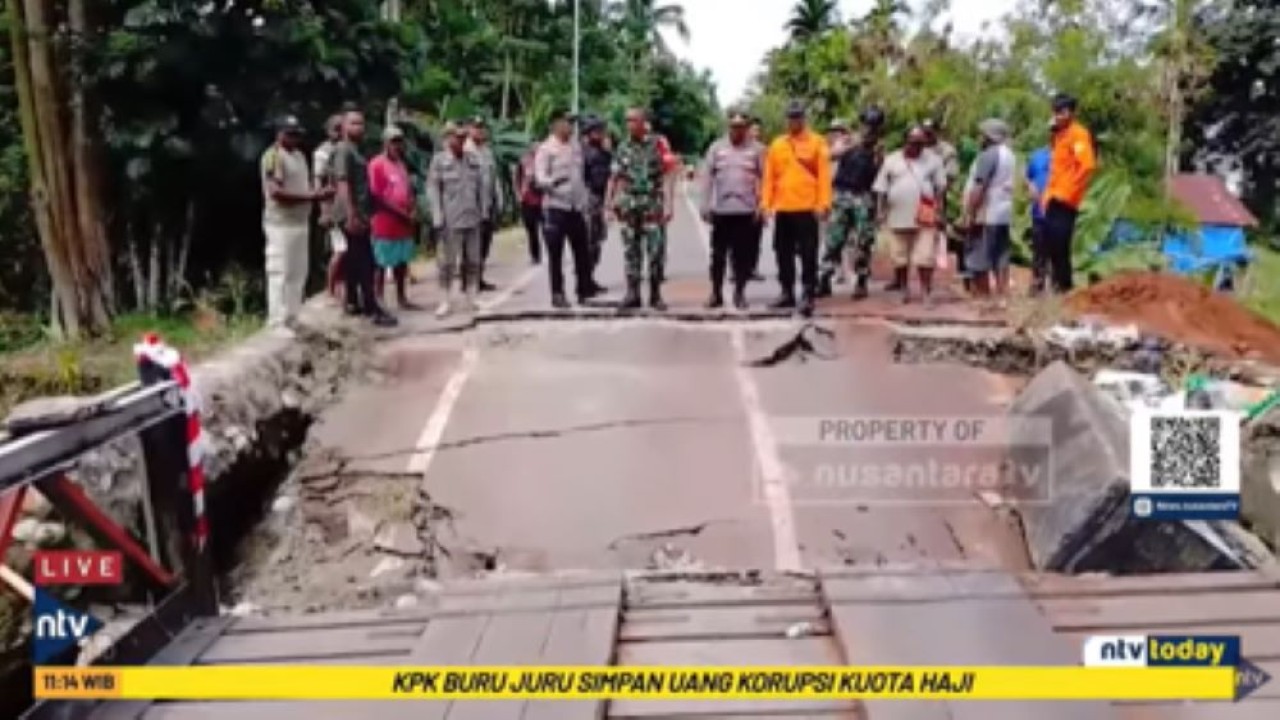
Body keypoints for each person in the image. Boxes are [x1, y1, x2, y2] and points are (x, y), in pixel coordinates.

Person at [761, 100, 831, 316]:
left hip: (807, 208)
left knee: (808, 254)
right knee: (783, 252)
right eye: (791, 117)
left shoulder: (817, 142)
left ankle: (808, 294)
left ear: (804, 118)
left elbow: (824, 177)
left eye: (798, 117)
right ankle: (787, 292)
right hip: (783, 208)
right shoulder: (777, 144)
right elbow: (769, 177)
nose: (794, 121)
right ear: (787, 119)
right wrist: (765, 204)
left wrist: (823, 204)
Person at [260, 116, 329, 330]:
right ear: (279, 134)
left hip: (299, 221)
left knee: (298, 271)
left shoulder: (299, 156)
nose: (294, 138)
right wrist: (311, 197)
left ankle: (292, 315)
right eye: (290, 134)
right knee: (281, 270)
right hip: (281, 222)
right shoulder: (273, 156)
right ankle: (277, 320)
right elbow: (276, 192)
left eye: (296, 134)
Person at [331, 110, 397, 327]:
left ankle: (353, 302)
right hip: (352, 215)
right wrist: (351, 215)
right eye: (353, 123)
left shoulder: (356, 151)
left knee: (354, 261)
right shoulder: (343, 150)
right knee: (366, 263)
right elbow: (343, 183)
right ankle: (371, 308)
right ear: (343, 127)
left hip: (361, 212)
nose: (358, 127)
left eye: (361, 123)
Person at [873, 125, 948, 305]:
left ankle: (925, 292)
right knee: (899, 256)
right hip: (897, 213)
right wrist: (880, 211)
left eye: (921, 143)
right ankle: (903, 289)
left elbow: (940, 188)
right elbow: (881, 188)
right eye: (913, 142)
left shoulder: (934, 160)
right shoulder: (892, 160)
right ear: (905, 141)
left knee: (925, 255)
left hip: (925, 211)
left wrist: (939, 211)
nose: (917, 147)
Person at [699, 110, 765, 310]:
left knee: (741, 256)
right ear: (728, 127)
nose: (737, 131)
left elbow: (764, 177)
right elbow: (707, 177)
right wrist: (705, 203)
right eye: (733, 127)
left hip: (746, 211)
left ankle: (740, 293)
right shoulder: (716, 148)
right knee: (718, 256)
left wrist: (762, 205)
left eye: (741, 127)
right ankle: (716, 293)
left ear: (746, 128)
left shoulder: (757, 150)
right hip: (721, 211)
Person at [608, 109, 671, 310]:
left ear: (644, 122)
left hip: (651, 205)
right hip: (629, 206)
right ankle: (632, 293)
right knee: (630, 252)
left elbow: (668, 175)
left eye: (633, 120)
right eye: (627, 121)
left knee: (654, 252)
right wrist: (612, 203)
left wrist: (669, 204)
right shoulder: (623, 146)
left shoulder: (658, 144)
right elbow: (616, 176)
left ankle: (655, 295)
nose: (629, 124)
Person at [818, 107, 885, 300]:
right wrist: (851, 144)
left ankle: (861, 281)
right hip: (842, 193)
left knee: (864, 241)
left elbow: (880, 176)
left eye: (873, 125)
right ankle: (825, 279)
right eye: (867, 124)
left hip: (864, 196)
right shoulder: (848, 140)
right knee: (834, 239)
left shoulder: (878, 147)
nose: (869, 129)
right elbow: (831, 156)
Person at [427, 121, 491, 318]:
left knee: (473, 260)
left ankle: (472, 297)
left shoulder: (472, 159)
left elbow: (482, 186)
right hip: (450, 219)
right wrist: (437, 217)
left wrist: (484, 211)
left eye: (464, 137)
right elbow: (433, 190)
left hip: (472, 216)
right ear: (448, 138)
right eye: (457, 137)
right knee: (447, 263)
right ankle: (445, 299)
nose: (461, 141)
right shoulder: (439, 161)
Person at [535, 109, 595, 308]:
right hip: (555, 208)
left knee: (582, 252)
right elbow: (539, 178)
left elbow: (582, 175)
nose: (571, 126)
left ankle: (584, 290)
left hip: (576, 208)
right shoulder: (546, 149)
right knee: (556, 255)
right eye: (567, 122)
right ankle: (557, 293)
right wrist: (553, 182)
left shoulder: (576, 146)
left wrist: (584, 200)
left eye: (572, 122)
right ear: (556, 124)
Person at [1043, 93, 1097, 293]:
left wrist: (1069, 192)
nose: (1058, 116)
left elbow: (1087, 166)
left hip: (1065, 199)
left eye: (1062, 112)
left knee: (1061, 246)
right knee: (1051, 247)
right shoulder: (1058, 135)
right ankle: (1057, 287)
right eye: (1055, 111)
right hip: (1052, 197)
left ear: (1071, 113)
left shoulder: (1078, 134)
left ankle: (1064, 289)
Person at [961, 118, 1016, 308]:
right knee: (1001, 255)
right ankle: (1003, 296)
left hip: (987, 212)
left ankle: (984, 299)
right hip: (1004, 213)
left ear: (989, 136)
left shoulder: (988, 155)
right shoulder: (1009, 154)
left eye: (982, 134)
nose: (980, 138)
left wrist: (969, 213)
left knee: (980, 255)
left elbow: (979, 187)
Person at [368, 125, 419, 310]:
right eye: (393, 142)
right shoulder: (376, 164)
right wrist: (401, 214)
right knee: (380, 264)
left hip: (403, 225)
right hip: (385, 222)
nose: (397, 146)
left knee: (401, 262)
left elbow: (407, 191)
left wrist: (412, 209)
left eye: (399, 142)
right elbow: (377, 196)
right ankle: (378, 300)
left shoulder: (400, 164)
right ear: (385, 143)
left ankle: (401, 298)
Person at [465, 118, 502, 292]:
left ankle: (478, 278)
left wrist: (498, 200)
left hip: (487, 205)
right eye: (476, 128)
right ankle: (469, 280)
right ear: (469, 130)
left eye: (482, 128)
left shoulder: (487, 152)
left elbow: (494, 179)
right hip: (471, 206)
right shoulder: (465, 151)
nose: (480, 131)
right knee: (472, 245)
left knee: (484, 244)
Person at [313, 114, 345, 300]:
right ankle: (331, 290)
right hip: (333, 206)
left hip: (347, 205)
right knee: (340, 249)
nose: (339, 131)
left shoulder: (345, 148)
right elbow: (318, 182)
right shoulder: (323, 152)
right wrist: (324, 211)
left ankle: (341, 288)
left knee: (347, 250)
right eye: (335, 128)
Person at [581, 115, 613, 283]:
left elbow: (611, 176)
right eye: (597, 131)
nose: (601, 134)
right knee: (589, 241)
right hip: (589, 198)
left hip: (601, 199)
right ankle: (585, 279)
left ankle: (590, 277)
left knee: (598, 240)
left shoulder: (604, 153)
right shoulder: (582, 153)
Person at [1024, 128, 1053, 296]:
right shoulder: (1037, 155)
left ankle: (1057, 289)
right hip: (1039, 212)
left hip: (1059, 213)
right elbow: (1028, 175)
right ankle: (1037, 285)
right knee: (1039, 251)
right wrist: (1030, 185)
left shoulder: (1068, 156)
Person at [744, 116, 767, 283]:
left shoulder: (762, 149)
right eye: (753, 129)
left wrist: (764, 201)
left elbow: (766, 175)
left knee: (755, 236)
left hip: (756, 197)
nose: (756, 133)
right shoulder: (738, 147)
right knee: (738, 237)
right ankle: (738, 268)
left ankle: (752, 267)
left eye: (758, 130)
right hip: (740, 199)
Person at [514, 140, 544, 265]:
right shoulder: (523, 161)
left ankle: (554, 253)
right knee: (532, 230)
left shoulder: (545, 160)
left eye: (538, 147)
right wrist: (519, 195)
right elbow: (517, 179)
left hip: (543, 200)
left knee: (548, 229)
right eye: (534, 147)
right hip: (527, 200)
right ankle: (535, 255)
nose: (536, 149)